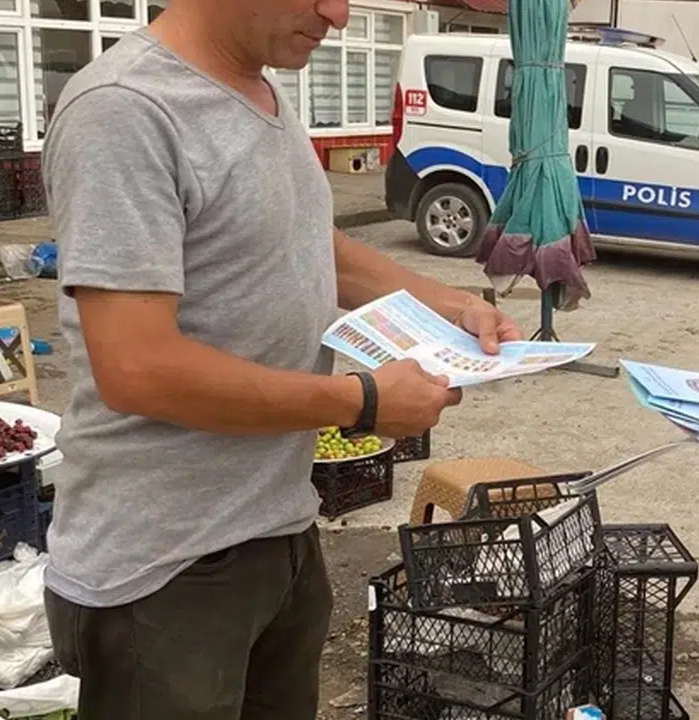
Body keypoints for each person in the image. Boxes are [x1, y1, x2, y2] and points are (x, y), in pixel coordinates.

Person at [39, 0, 522, 717]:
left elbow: (314, 245)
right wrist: (362, 402)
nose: (338, 14)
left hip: (279, 530)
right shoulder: (125, 108)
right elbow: (137, 369)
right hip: (166, 569)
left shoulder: (259, 88)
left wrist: (450, 305)